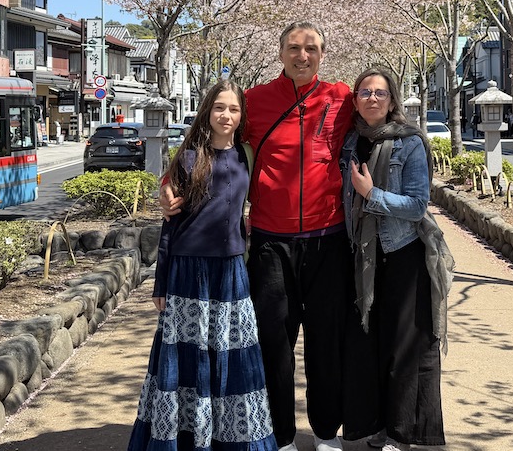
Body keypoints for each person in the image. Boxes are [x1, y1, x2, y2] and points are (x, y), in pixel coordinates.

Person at [161, 22, 354, 451]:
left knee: (326, 340)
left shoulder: (341, 97)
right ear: (280, 53)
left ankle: (326, 433)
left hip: (328, 237)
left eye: (311, 48)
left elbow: (381, 121)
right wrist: (168, 182)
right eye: (294, 48)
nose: (302, 56)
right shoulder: (255, 101)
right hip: (270, 242)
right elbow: (211, 142)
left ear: (323, 54)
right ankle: (280, 436)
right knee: (273, 343)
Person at [129, 80, 277, 451]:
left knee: (233, 354)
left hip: (231, 270)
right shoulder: (189, 158)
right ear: (207, 111)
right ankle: (185, 439)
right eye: (219, 108)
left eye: (234, 109)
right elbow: (170, 224)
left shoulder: (246, 153)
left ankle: (229, 439)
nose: (226, 115)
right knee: (187, 357)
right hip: (188, 271)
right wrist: (160, 282)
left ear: (242, 116)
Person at [340, 68, 447, 451]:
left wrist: (372, 195)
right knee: (372, 346)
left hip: (402, 253)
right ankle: (380, 425)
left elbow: (418, 206)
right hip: (363, 255)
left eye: (380, 93)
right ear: (355, 100)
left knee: (404, 348)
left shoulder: (410, 142)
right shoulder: (351, 142)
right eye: (365, 92)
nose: (372, 98)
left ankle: (402, 435)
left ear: (392, 100)